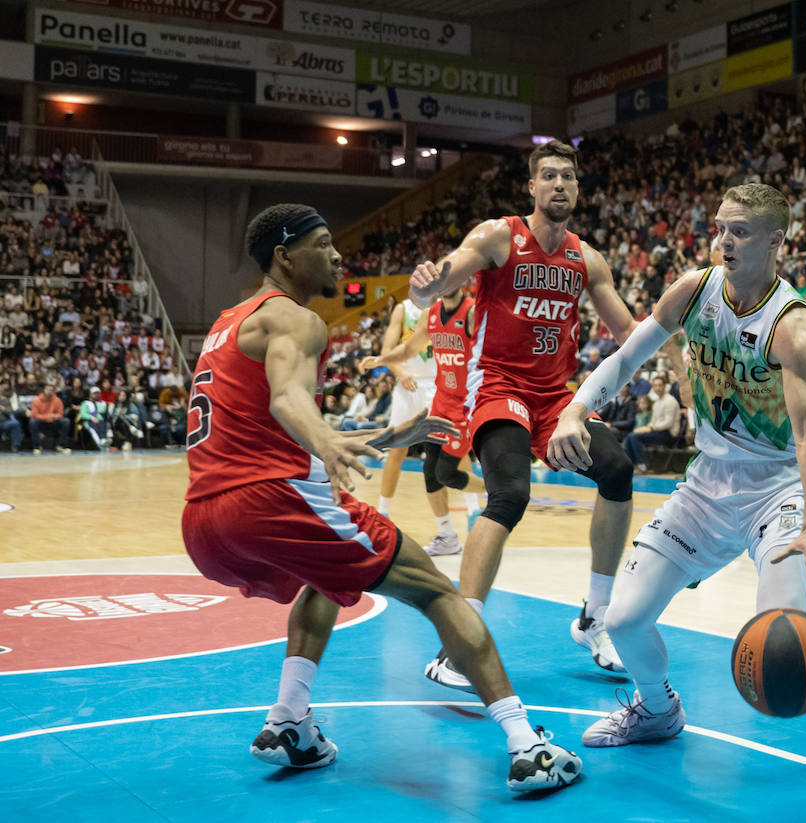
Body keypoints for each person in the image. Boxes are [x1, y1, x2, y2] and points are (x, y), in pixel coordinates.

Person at [180, 203, 581, 792]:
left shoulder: (230, 321)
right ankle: (527, 746)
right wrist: (325, 444)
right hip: (269, 498)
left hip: (204, 521)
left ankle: (288, 721)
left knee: (328, 576)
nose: (337, 254)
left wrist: (389, 437)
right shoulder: (297, 319)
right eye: (322, 244)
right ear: (285, 257)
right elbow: (286, 403)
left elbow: (261, 417)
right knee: (440, 592)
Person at [546, 183, 806, 762]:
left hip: (775, 489)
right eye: (720, 228)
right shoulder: (693, 290)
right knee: (623, 620)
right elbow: (628, 356)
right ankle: (657, 709)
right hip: (706, 485)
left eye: (741, 232)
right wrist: (576, 409)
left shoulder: (793, 326)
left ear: (776, 241)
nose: (725, 241)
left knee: (783, 630)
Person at [407, 140, 668, 680]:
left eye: (567, 177)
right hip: (499, 386)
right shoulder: (499, 236)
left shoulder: (586, 258)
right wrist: (427, 287)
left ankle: (594, 618)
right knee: (510, 493)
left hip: (555, 401)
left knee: (617, 470)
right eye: (547, 175)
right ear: (531, 186)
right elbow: (448, 276)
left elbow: (628, 334)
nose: (558, 185)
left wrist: (684, 357)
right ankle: (460, 638)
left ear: (577, 188)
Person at [362, 290, 487, 557]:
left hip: (456, 395)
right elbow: (405, 350)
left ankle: (483, 500)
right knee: (419, 463)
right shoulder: (417, 313)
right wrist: (390, 364)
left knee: (449, 467)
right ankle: (437, 532)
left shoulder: (468, 311)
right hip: (429, 394)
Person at [624, 374, 680, 471]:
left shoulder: (670, 401)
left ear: (664, 386)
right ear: (653, 387)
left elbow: (668, 423)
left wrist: (650, 428)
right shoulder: (657, 402)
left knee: (634, 437)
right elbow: (653, 421)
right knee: (631, 435)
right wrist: (644, 428)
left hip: (669, 434)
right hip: (658, 431)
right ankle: (631, 465)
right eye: (655, 385)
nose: (658, 388)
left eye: (660, 385)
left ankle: (642, 465)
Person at [28, 383, 71, 454]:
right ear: (44, 390)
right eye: (47, 389)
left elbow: (60, 414)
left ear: (53, 392)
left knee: (66, 421)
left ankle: (61, 445)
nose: (49, 391)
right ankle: (37, 447)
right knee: (33, 422)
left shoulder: (57, 400)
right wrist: (47, 416)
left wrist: (55, 416)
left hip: (53, 422)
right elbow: (34, 415)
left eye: (51, 390)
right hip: (42, 422)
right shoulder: (37, 401)